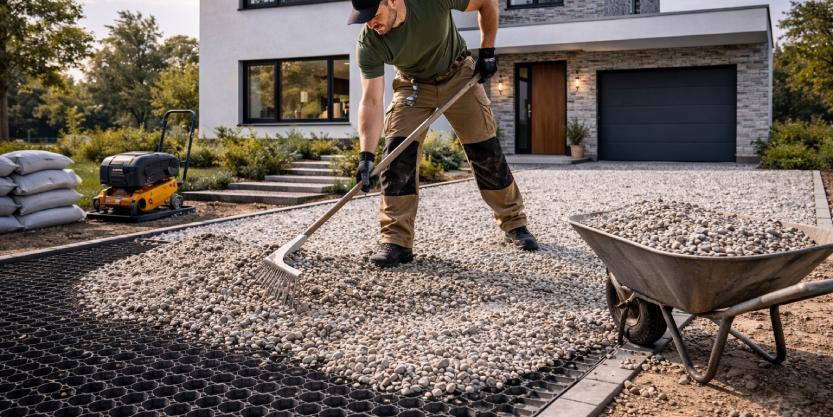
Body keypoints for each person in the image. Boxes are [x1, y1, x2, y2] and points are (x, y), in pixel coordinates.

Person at [349, 0, 538, 268]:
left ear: (392, 1)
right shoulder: (369, 41)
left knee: (486, 152)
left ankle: (514, 224)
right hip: (412, 85)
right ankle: (396, 240)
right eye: (364, 19)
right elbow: (370, 100)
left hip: (458, 73)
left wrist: (488, 52)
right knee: (397, 157)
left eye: (374, 15)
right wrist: (366, 155)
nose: (371, 23)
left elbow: (488, 2)